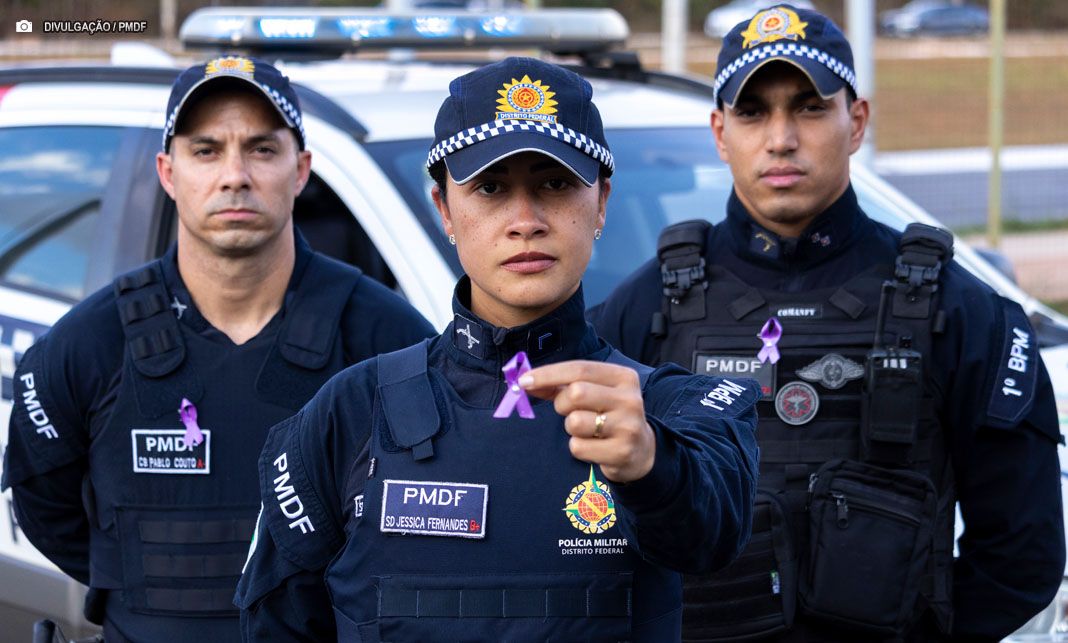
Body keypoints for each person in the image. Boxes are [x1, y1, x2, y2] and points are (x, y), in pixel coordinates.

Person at [235, 56, 761, 642]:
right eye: (490, 187)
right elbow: (278, 622)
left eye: (555, 184)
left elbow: (713, 533)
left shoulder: (670, 409)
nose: (525, 220)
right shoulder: (352, 409)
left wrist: (652, 466)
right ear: (445, 211)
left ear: (602, 203)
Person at [589, 5, 1065, 642]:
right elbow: (585, 535)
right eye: (753, 111)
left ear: (857, 120)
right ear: (719, 131)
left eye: (810, 107)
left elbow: (1022, 554)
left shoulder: (958, 309)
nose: (781, 138)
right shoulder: (642, 308)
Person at [1, 56, 435, 642]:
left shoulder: (386, 338)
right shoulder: (89, 344)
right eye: (206, 150)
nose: (235, 175)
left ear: (301, 169)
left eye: (261, 149)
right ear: (167, 172)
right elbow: (46, 507)